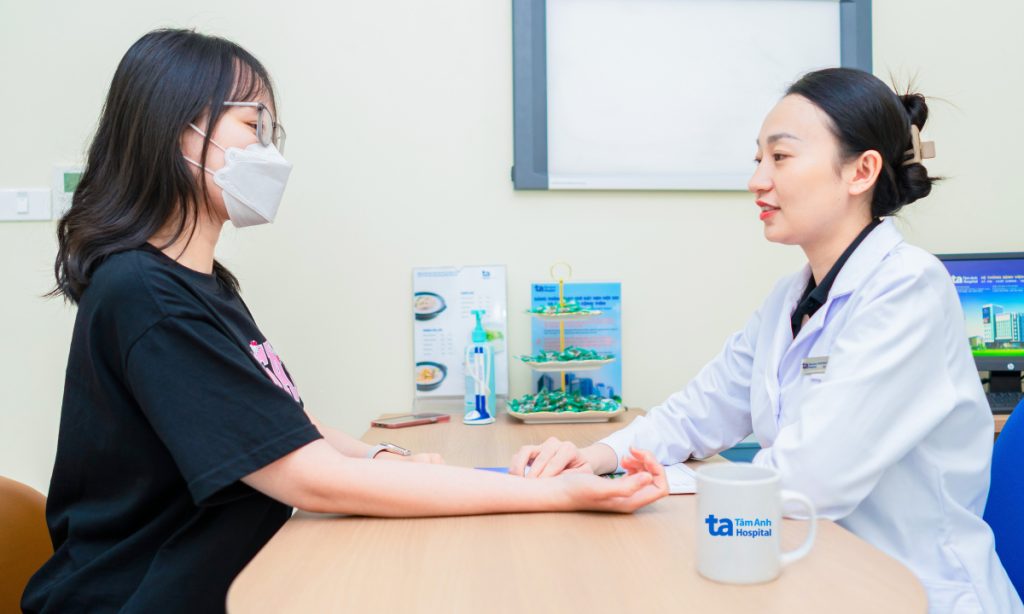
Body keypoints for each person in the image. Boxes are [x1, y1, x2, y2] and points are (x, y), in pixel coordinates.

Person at [21, 29, 667, 613]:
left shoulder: (200, 285)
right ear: (177, 133)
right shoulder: (147, 295)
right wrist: (556, 496)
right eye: (252, 123)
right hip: (136, 595)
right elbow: (309, 478)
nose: (267, 150)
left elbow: (279, 423)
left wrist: (386, 455)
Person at [510, 68, 1024, 613]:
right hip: (820, 573)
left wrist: (665, 482)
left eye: (780, 157)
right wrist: (595, 457)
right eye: (758, 159)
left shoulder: (909, 288)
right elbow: (698, 412)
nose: (757, 180)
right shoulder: (791, 298)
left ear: (861, 171)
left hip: (914, 592)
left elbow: (815, 478)